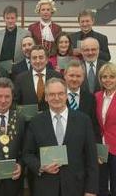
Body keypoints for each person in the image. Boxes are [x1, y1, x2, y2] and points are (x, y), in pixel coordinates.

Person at [23, 77, 98, 196]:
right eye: (52, 94)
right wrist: (41, 167)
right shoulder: (36, 122)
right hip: (45, 187)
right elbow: (27, 154)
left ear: (66, 95)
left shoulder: (83, 120)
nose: (56, 98)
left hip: (76, 186)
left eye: (60, 94)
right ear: (46, 98)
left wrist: (91, 190)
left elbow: (92, 158)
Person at [15, 45, 62, 111]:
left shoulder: (57, 76)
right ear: (30, 61)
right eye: (34, 58)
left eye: (41, 57)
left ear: (47, 60)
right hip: (29, 120)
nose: (37, 61)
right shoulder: (20, 79)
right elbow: (16, 103)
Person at [64, 60, 101, 142]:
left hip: (84, 147)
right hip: (62, 147)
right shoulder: (56, 96)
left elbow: (94, 126)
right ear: (65, 75)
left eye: (78, 76)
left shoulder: (90, 98)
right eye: (71, 75)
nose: (74, 79)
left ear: (83, 77)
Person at [95, 63, 116, 196]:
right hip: (100, 148)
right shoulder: (96, 96)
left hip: (115, 147)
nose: (107, 80)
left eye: (112, 77)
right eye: (104, 77)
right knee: (101, 184)